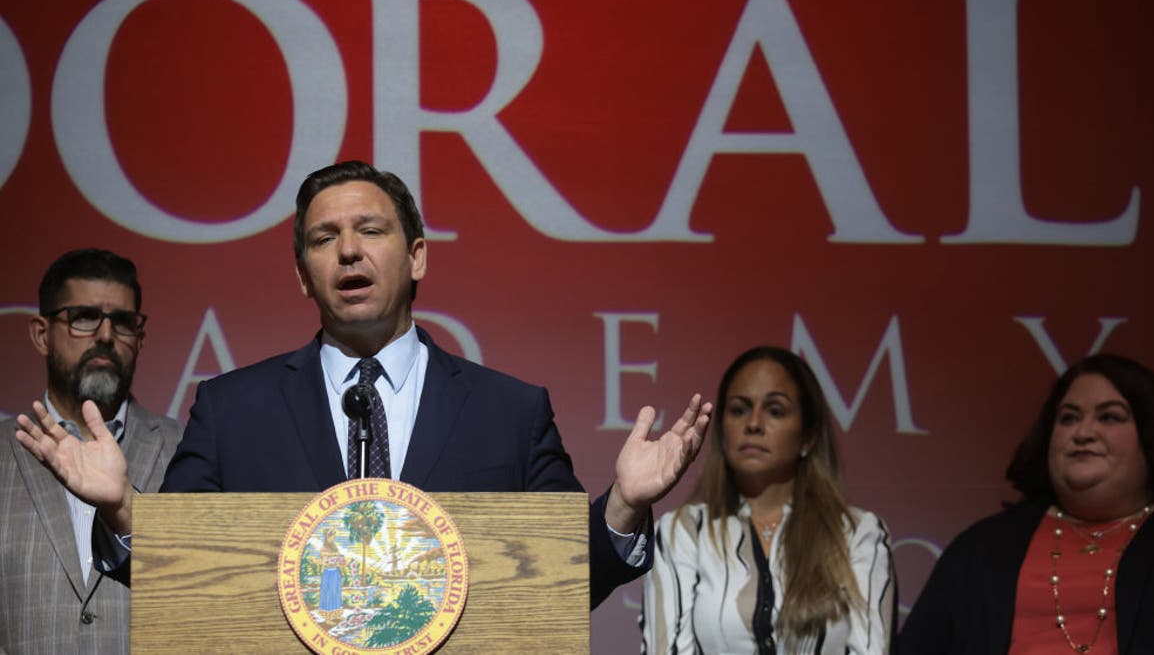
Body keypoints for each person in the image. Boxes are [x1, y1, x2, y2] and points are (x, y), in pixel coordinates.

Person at [15, 160, 711, 611]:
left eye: (370, 230)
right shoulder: (233, 408)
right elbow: (180, 580)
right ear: (301, 275)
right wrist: (124, 508)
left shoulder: (508, 410)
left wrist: (622, 504)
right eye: (323, 238)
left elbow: (565, 581)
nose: (348, 249)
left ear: (415, 257)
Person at [897, 353, 1154, 654]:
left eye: (1109, 417)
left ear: (1153, 435)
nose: (1083, 433)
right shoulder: (984, 548)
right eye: (1068, 418)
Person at [641, 346, 895, 654]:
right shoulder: (681, 532)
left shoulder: (859, 533)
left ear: (808, 436)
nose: (754, 424)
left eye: (775, 411)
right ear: (721, 427)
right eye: (739, 409)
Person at [1, 249, 184, 654]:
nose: (105, 335)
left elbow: (208, 594)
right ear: (41, 334)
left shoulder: (186, 449)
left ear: (140, 338)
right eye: (84, 317)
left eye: (122, 321)